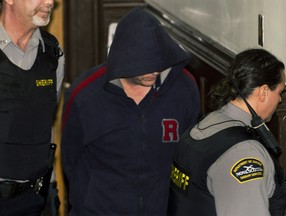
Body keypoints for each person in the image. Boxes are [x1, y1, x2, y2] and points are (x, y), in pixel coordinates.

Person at [61, 7, 200, 216]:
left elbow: (189, 155)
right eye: (145, 66)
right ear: (123, 60)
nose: (154, 71)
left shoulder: (184, 88)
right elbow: (70, 160)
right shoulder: (85, 95)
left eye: (158, 64)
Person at [168, 48, 286, 216]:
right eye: (280, 91)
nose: (281, 99)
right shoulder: (243, 155)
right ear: (263, 92)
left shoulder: (206, 124)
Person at [0, 0, 64, 216]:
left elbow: (46, 122)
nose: (50, 2)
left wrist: (52, 192)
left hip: (38, 200)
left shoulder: (53, 54)